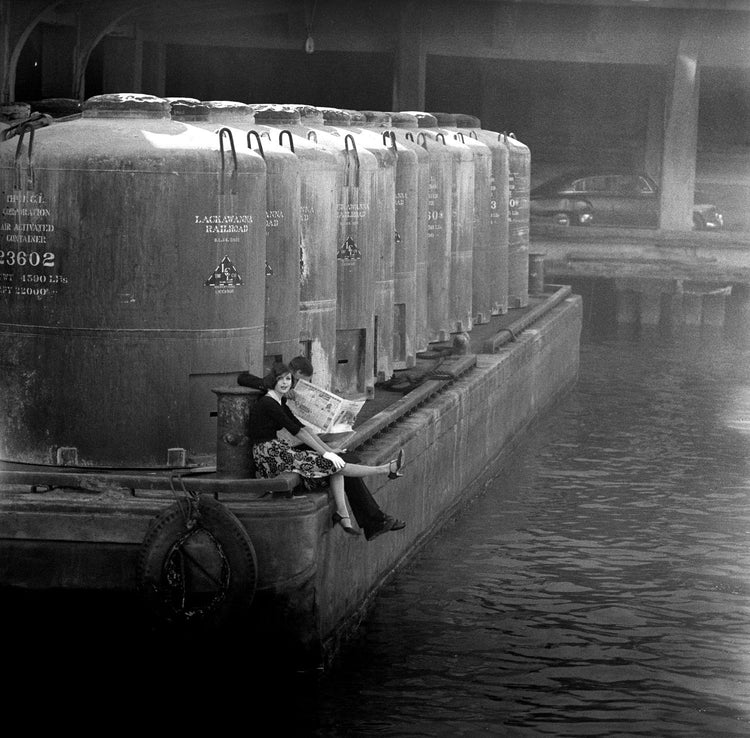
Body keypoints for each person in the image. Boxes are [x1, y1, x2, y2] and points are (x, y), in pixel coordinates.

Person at [240, 356, 406, 541]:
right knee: (339, 463)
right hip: (272, 452)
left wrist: (329, 449)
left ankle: (350, 516)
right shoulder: (271, 399)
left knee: (343, 460)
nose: (288, 384)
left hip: (282, 448)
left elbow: (302, 428)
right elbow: (296, 430)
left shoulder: (279, 401)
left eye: (289, 380)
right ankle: (382, 483)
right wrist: (326, 452)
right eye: (283, 379)